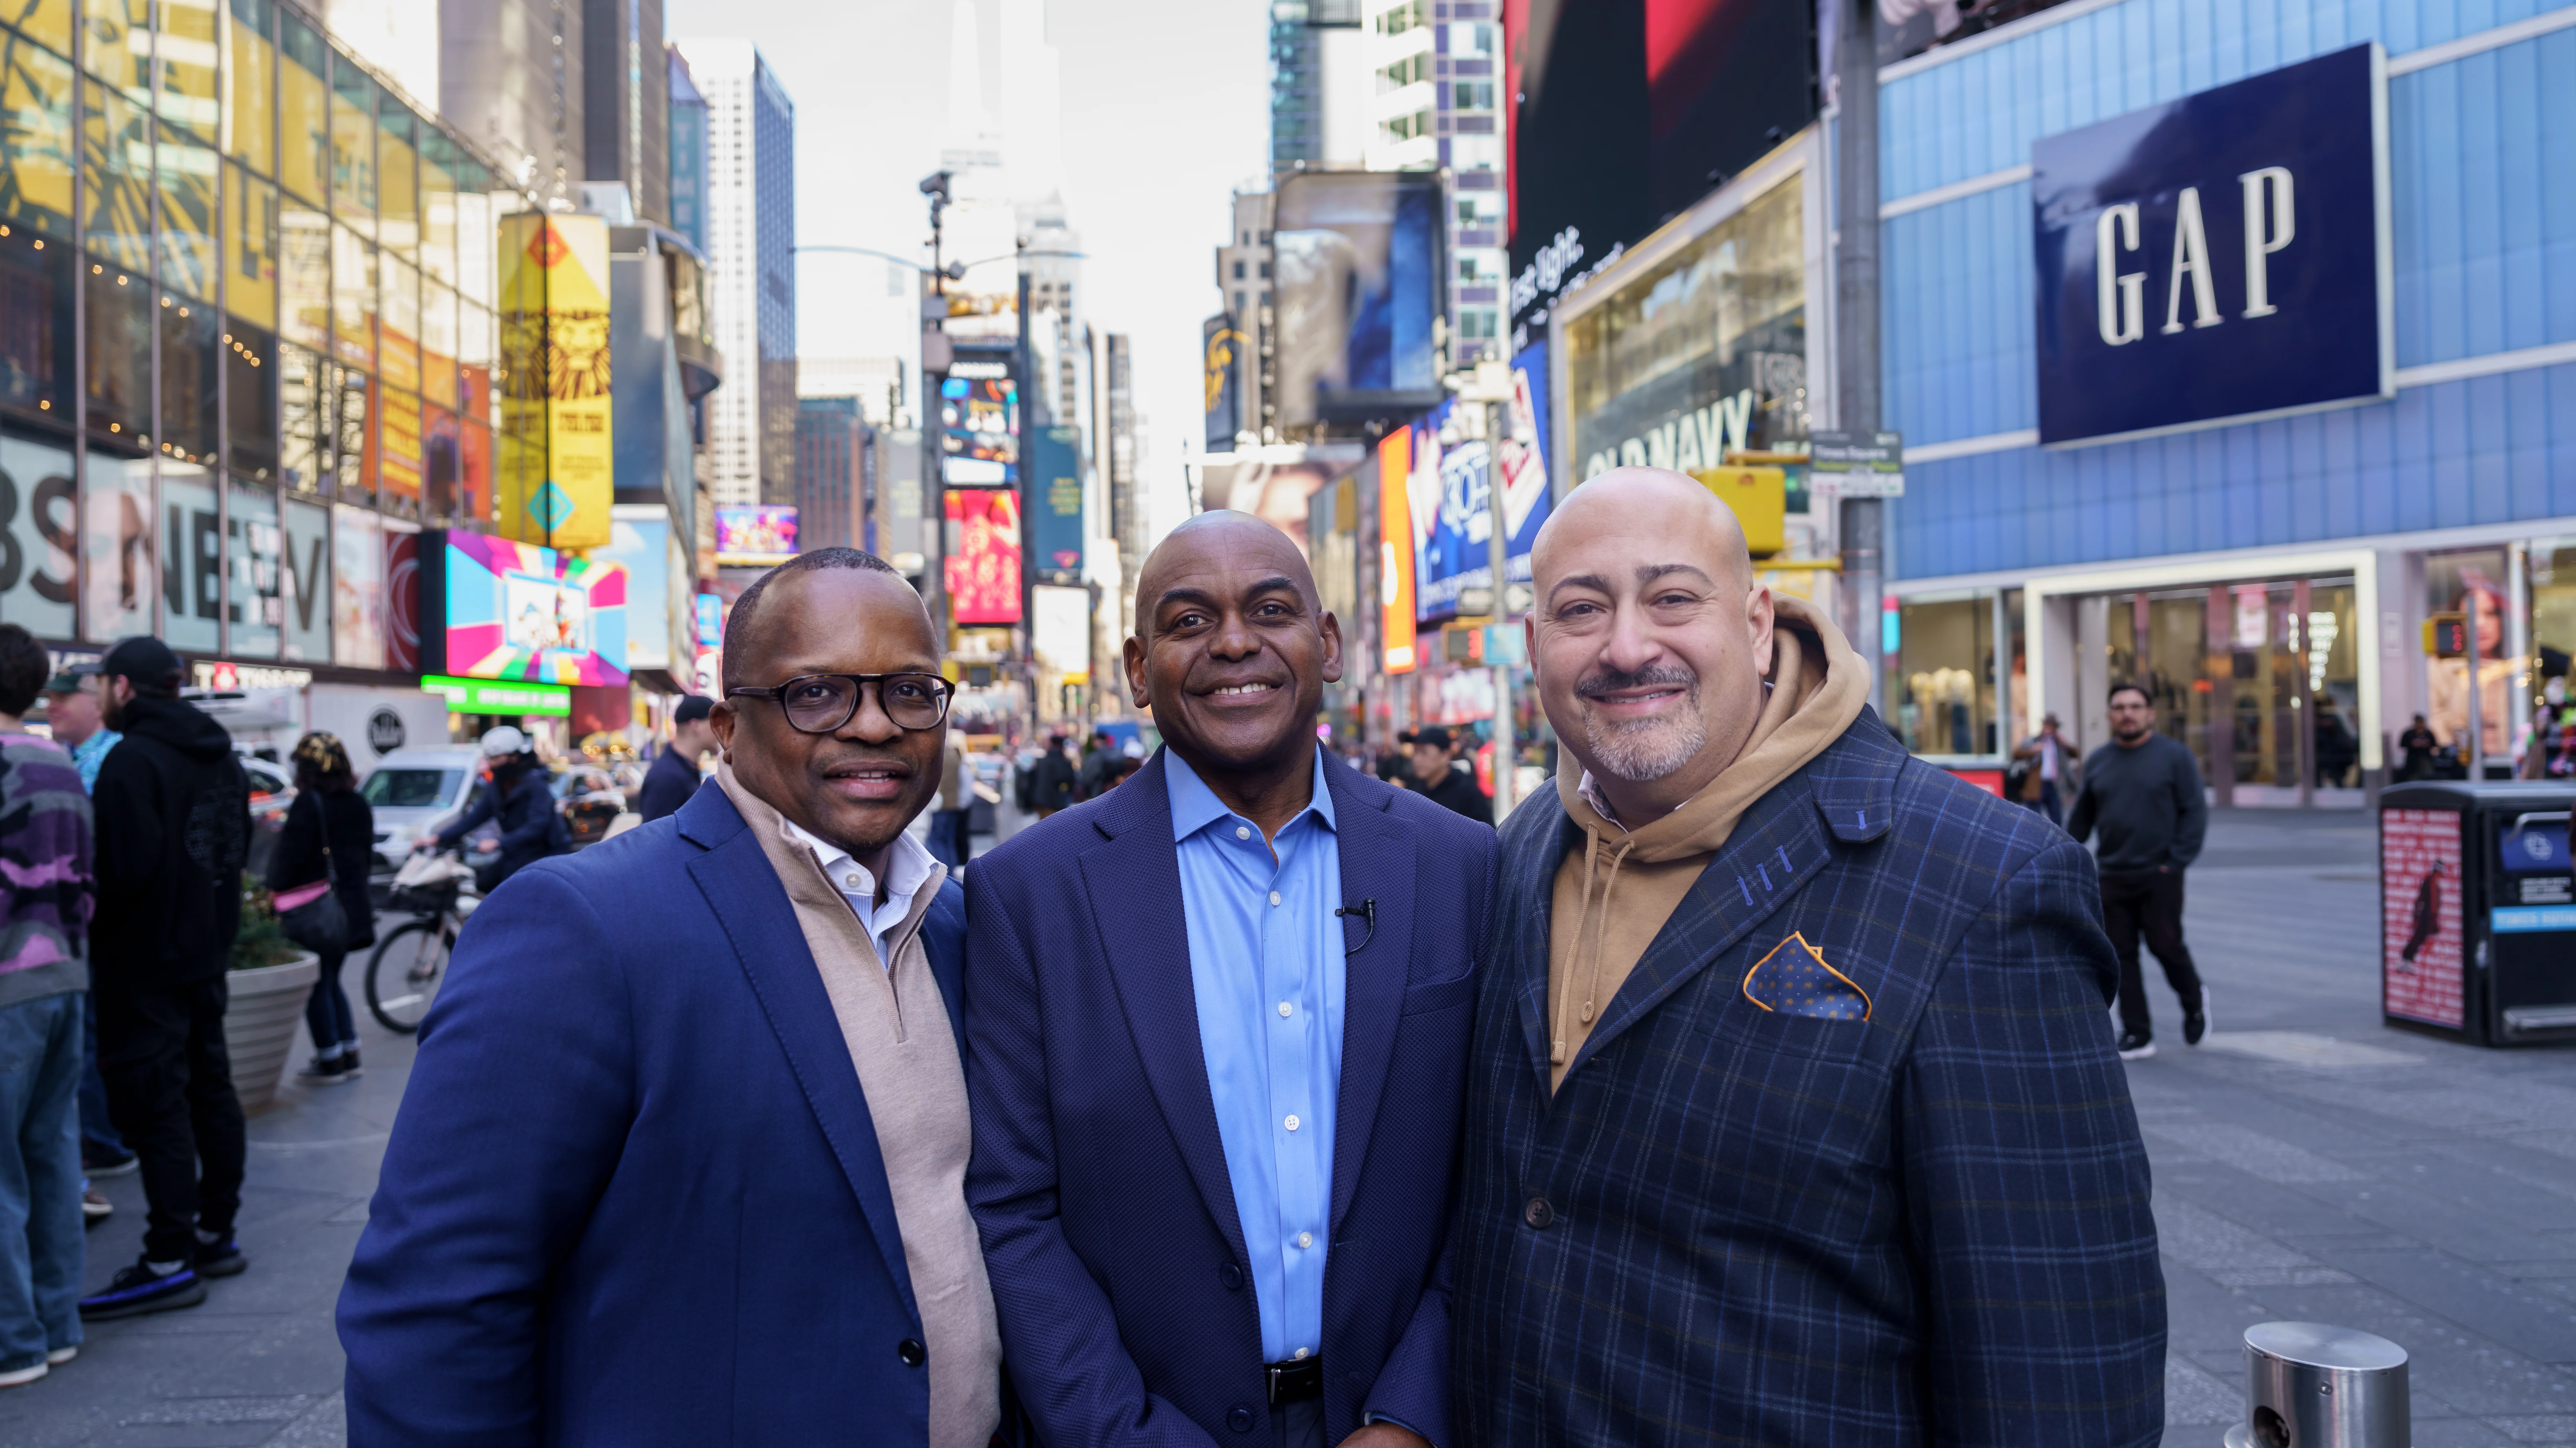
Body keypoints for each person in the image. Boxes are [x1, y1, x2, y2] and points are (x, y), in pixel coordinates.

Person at [1451, 469, 2162, 1448]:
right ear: (1535, 648)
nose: (1626, 645)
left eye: (1671, 597)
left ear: (1754, 619)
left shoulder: (1984, 881)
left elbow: (2057, 1371)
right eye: (1583, 608)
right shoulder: (1521, 848)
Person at [341, 548, 996, 1444]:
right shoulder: (582, 927)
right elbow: (435, 1309)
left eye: (911, 692)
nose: (875, 725)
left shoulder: (956, 922)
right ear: (727, 727)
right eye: (817, 694)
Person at [965, 512, 1495, 1448]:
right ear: (1137, 667)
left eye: (1271, 608)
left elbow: (1496, 1170)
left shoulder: (1460, 866)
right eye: (1187, 621)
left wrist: (1413, 1414)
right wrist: (1122, 1432)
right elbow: (1011, 1208)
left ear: (1326, 644)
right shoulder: (1028, 894)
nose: (1235, 642)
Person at [79, 637, 252, 1322]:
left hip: (143, 964)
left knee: (158, 1107)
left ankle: (167, 1257)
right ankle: (216, 1232)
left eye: (99, 687)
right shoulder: (224, 758)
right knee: (210, 1086)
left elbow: (121, 876)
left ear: (124, 687)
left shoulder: (131, 762)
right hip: (206, 953)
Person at [0, 625, 94, 1386]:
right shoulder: (58, 763)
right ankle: (58, 1324)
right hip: (63, 976)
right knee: (53, 1158)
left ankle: (13, 1340)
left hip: (6, 988)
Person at [2068, 681, 2211, 1061]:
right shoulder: (2099, 761)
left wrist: (2175, 862)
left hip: (2159, 873)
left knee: (2166, 945)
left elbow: (2194, 812)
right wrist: (2061, 854)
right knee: (2121, 955)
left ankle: (2194, 1001)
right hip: (2113, 874)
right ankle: (2137, 1032)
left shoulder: (2175, 757)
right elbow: (2081, 820)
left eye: (2135, 706)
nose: (2127, 714)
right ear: (2110, 715)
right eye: (2119, 707)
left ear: (2150, 714)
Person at [41, 667, 133, 1191]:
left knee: (95, 1034)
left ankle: (106, 1138)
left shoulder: (111, 760)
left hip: (96, 931)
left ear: (97, 700)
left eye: (62, 697)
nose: (52, 706)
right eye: (48, 697)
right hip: (75, 930)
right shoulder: (73, 759)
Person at [268, 733, 375, 1085]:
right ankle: (350, 1052)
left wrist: (272, 889)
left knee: (318, 983)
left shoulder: (308, 805)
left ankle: (330, 1059)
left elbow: (290, 861)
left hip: (316, 909)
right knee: (332, 979)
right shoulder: (359, 804)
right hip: (350, 910)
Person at [422, 726, 562, 895]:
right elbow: (477, 816)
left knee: (511, 894)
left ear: (514, 757)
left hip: (543, 854)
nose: (492, 764)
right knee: (484, 884)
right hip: (515, 852)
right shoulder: (498, 784)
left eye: (497, 758)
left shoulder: (536, 784)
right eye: (490, 759)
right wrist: (439, 838)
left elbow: (538, 826)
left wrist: (499, 843)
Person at [632, 695, 716, 822]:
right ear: (696, 726)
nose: (720, 729)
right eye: (715, 722)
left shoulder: (685, 767)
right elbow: (655, 838)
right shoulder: (667, 777)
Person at [1404, 723, 1493, 823]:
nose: (1417, 760)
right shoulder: (1415, 791)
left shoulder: (1466, 792)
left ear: (1445, 755)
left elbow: (1487, 833)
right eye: (1416, 752)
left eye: (1424, 752)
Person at [2012, 711, 2077, 824]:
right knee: (2033, 820)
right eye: (2047, 726)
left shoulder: (2059, 744)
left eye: (2051, 726)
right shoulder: (2034, 741)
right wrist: (2032, 751)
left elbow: (2075, 754)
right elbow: (2016, 755)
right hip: (2037, 785)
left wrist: (2065, 744)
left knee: (2057, 820)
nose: (2048, 729)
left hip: (2055, 785)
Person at [1028, 732, 1078, 817]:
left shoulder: (1041, 762)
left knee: (1042, 828)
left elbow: (1032, 781)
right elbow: (1070, 781)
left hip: (1040, 802)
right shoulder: (1064, 763)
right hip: (1056, 803)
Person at [1074, 727, 1119, 801]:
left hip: (1097, 792)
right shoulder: (1115, 753)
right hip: (1114, 791)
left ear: (1098, 741)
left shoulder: (1095, 757)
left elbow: (1088, 777)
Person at [2397, 712, 2439, 782]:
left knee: (2427, 778)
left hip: (2426, 759)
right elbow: (2402, 745)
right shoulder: (2409, 734)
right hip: (2412, 761)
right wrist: (2413, 744)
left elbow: (2435, 747)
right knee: (2413, 779)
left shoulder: (2429, 734)